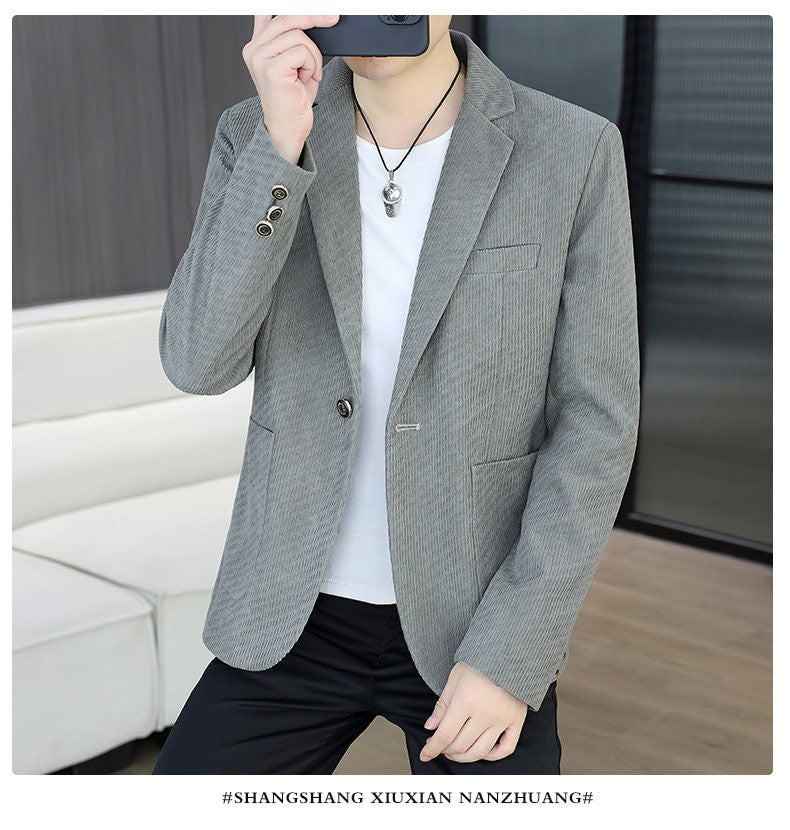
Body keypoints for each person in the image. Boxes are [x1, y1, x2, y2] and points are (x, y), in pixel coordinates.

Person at [152, 14, 639, 775]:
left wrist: (513, 649)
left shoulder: (572, 149)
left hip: (474, 618)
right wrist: (281, 146)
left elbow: (596, 425)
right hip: (288, 611)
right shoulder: (255, 133)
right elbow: (196, 362)